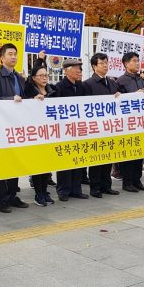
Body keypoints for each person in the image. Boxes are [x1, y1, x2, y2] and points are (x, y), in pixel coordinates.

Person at [0, 43, 29, 213]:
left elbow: (24, 98)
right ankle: (2, 198)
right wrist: (11, 99)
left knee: (15, 162)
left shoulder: (18, 77)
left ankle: (12, 195)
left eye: (15, 54)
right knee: (2, 163)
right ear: (2, 58)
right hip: (2, 127)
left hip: (16, 126)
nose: (13, 57)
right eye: (10, 54)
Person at [83, 53, 121, 198]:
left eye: (106, 63)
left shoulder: (112, 83)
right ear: (94, 66)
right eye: (102, 63)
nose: (105, 65)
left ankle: (106, 186)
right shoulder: (88, 84)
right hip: (95, 127)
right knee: (96, 160)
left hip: (110, 126)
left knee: (108, 158)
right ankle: (95, 188)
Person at [54, 59, 90, 201]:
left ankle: (76, 189)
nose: (78, 71)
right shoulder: (59, 87)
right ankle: (63, 190)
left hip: (79, 129)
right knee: (64, 161)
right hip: (64, 130)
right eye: (75, 68)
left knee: (77, 160)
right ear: (66, 70)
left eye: (80, 68)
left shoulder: (81, 86)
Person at [116, 51, 144, 192]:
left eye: (138, 60)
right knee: (128, 154)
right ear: (126, 63)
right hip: (127, 123)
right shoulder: (120, 81)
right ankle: (127, 182)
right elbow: (118, 100)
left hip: (140, 122)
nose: (137, 63)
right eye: (134, 60)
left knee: (139, 153)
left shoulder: (140, 79)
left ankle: (137, 181)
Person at [24, 65, 58, 206]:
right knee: (37, 165)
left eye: (46, 75)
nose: (44, 78)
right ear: (33, 78)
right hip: (36, 134)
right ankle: (39, 194)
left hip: (50, 132)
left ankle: (45, 192)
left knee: (46, 165)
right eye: (41, 75)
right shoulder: (29, 92)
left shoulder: (52, 90)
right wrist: (33, 100)